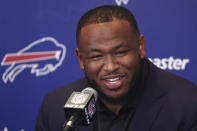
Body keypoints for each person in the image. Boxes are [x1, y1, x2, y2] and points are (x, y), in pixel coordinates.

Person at [35, 5, 197, 131]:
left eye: (120, 52)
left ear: (141, 46)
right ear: (81, 58)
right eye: (96, 56)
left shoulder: (188, 104)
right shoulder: (54, 106)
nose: (111, 66)